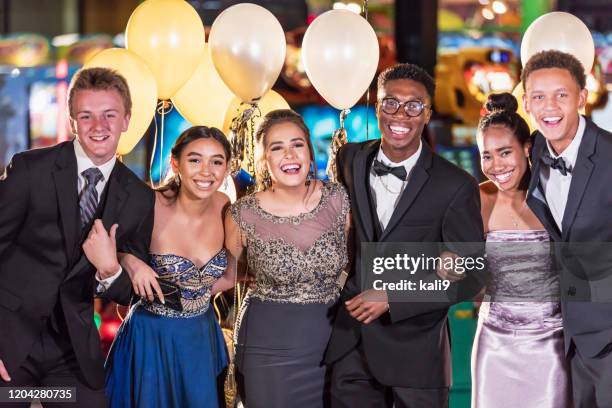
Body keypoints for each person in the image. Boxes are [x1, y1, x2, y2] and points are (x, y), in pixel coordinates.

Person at [325, 63, 486, 408]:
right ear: (377, 106)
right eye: (390, 103)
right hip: (350, 345)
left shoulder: (456, 185)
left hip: (418, 355)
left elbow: (471, 276)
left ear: (427, 114)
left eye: (414, 106)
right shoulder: (349, 159)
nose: (401, 113)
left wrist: (394, 297)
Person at [0, 67, 154, 407]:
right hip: (9, 338)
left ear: (127, 119)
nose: (98, 127)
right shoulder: (30, 169)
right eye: (86, 116)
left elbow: (128, 291)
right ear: (72, 121)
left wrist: (110, 268)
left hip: (71, 351)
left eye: (109, 115)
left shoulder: (140, 197)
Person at [88, 126, 233, 407]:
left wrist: (195, 296)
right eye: (195, 160)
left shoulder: (224, 205)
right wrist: (131, 262)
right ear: (175, 162)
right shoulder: (149, 204)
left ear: (227, 168)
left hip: (202, 337)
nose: (206, 171)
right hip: (151, 339)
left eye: (216, 161)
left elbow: (229, 277)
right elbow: (104, 246)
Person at [225, 109, 350, 408]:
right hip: (266, 351)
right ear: (264, 159)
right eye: (277, 148)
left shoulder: (340, 199)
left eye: (297, 144)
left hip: (335, 345)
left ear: (309, 150)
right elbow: (227, 276)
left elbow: (360, 265)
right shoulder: (241, 214)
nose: (289, 155)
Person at [523, 50, 612, 407]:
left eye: (561, 94)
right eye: (539, 97)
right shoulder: (536, 149)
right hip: (567, 338)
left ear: (582, 97)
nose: (550, 106)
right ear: (526, 103)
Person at [471, 92, 571, 407]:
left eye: (504, 152)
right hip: (494, 344)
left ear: (527, 148)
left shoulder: (556, 196)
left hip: (550, 343)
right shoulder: (479, 200)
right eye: (486, 155)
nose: (496, 166)